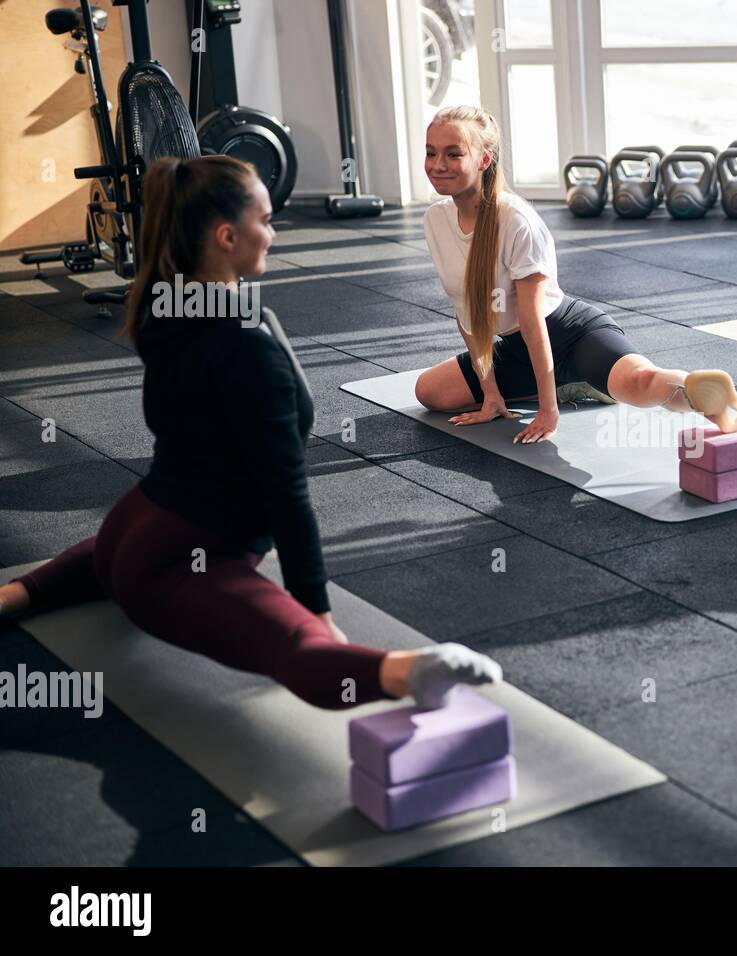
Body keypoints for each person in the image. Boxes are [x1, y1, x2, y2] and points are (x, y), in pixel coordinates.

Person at [0, 155, 501, 711]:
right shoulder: (247, 349)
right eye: (264, 220)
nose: (273, 231)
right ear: (225, 236)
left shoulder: (162, 305)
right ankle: (411, 674)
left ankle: (14, 594)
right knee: (300, 651)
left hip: (130, 527)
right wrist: (319, 613)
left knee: (111, 562)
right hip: (180, 559)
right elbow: (287, 497)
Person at [412, 105, 737, 443]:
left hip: (572, 336)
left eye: (453, 154)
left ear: (484, 159)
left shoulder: (517, 221)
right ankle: (565, 386)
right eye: (431, 153)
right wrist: (490, 393)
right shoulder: (436, 220)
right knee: (430, 392)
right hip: (515, 351)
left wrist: (548, 412)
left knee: (640, 382)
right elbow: (466, 313)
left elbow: (533, 323)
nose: (437, 165)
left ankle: (705, 397)